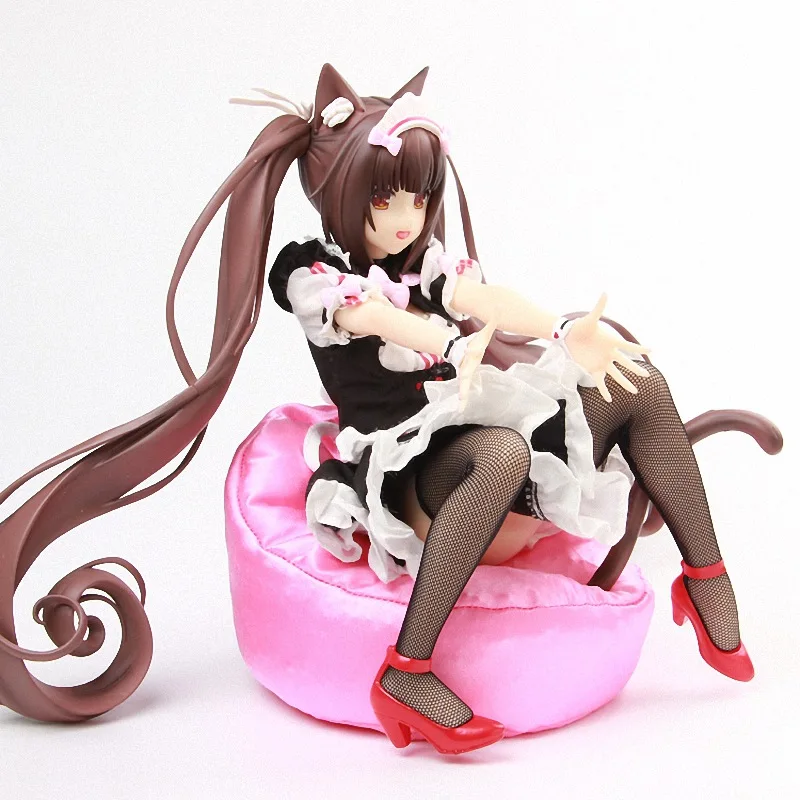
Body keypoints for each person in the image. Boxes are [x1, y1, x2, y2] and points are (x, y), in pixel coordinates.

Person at [0, 64, 758, 754]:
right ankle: (407, 671)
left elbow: (480, 295)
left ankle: (706, 577)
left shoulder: (426, 263)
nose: (404, 218)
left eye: (418, 199)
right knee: (501, 451)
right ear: (341, 195)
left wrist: (561, 329)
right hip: (407, 475)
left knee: (638, 382)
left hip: (480, 459)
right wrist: (443, 341)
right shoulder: (309, 271)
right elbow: (370, 317)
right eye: (384, 200)